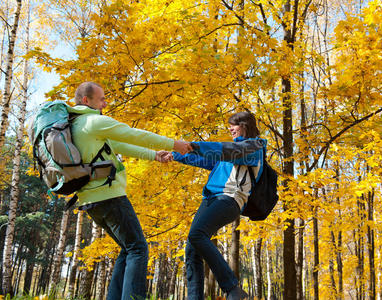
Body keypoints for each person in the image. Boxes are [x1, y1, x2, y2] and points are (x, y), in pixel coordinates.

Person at [67, 81, 191, 300]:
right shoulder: (93, 121)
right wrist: (174, 144)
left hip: (90, 200)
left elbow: (119, 145)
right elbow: (132, 134)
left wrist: (154, 155)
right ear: (86, 100)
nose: (105, 102)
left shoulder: (75, 126)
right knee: (138, 248)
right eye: (102, 98)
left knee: (128, 249)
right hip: (109, 196)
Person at [166, 111, 266, 300]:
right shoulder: (232, 151)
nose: (230, 129)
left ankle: (232, 288)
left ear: (245, 125)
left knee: (197, 234)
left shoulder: (253, 147)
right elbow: (204, 159)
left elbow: (226, 150)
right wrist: (175, 154)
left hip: (229, 199)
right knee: (192, 248)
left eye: (234, 125)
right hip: (211, 199)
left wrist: (193, 145)